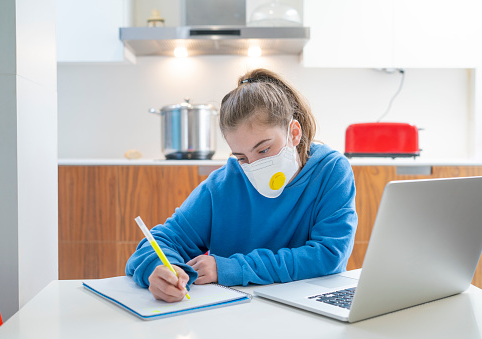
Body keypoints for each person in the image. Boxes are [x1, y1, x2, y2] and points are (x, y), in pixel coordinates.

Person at [126, 68, 358, 302]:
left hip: (308, 313)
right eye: (242, 157)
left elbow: (329, 255)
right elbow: (158, 243)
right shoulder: (223, 184)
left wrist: (232, 268)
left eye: (264, 149)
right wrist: (160, 271)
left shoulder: (331, 170)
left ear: (294, 133)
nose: (254, 166)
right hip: (234, 315)